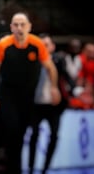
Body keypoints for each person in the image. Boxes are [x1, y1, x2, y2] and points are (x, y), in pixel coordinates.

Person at [0, 12, 60, 174]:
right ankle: (11, 166)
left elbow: (51, 68)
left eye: (22, 24)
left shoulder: (37, 44)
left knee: (21, 132)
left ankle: (15, 166)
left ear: (29, 27)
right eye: (16, 24)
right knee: (11, 128)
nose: (19, 28)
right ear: (11, 27)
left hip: (28, 97)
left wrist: (54, 88)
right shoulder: (3, 44)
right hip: (7, 95)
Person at [28, 33, 69, 174]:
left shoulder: (58, 60)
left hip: (54, 106)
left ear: (52, 46)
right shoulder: (32, 61)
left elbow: (67, 79)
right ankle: (31, 168)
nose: (43, 47)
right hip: (36, 104)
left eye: (46, 45)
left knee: (54, 136)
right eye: (41, 45)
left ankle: (46, 168)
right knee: (33, 136)